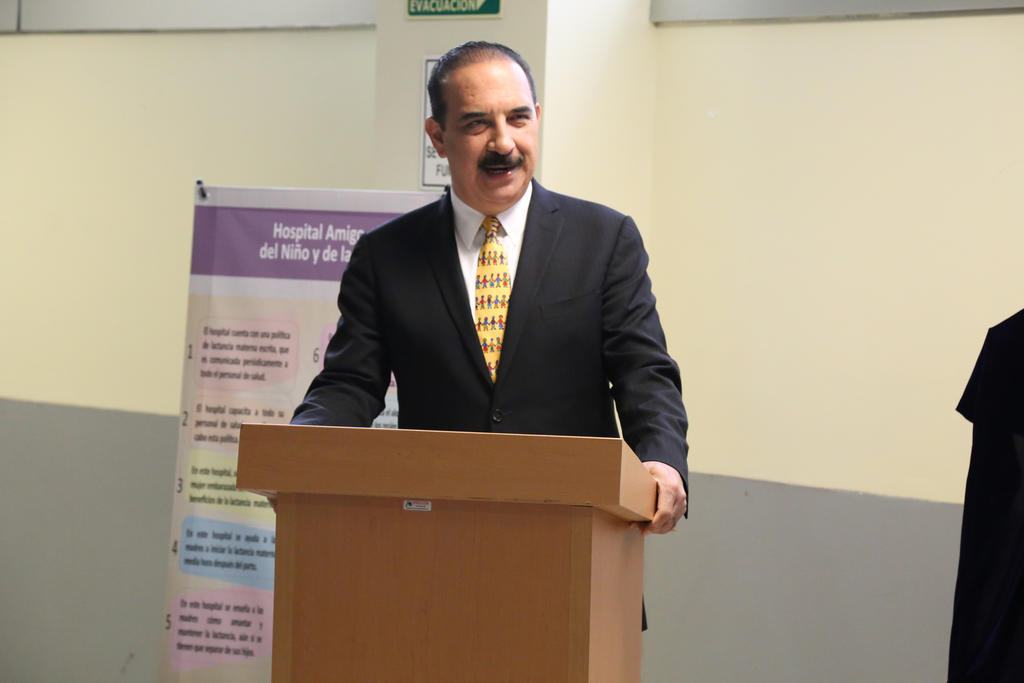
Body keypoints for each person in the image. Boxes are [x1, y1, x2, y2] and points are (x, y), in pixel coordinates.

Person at [292, 41, 688, 536]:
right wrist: (299, 449)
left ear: (537, 118)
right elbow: (350, 382)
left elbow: (643, 372)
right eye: (478, 124)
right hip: (433, 534)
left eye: (518, 118)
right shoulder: (386, 254)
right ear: (438, 137)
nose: (503, 143)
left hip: (577, 530)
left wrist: (661, 459)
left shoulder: (605, 239)